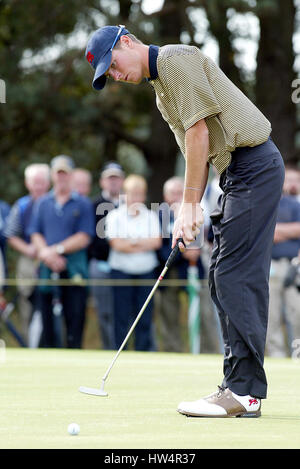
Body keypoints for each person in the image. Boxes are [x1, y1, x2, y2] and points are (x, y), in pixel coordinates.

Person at [85, 25, 285, 418]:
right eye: (108, 74)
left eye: (113, 65)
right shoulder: (162, 92)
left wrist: (190, 205)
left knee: (235, 276)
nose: (116, 74)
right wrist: (185, 214)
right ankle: (236, 385)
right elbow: (204, 153)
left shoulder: (176, 60)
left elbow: (198, 136)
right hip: (235, 176)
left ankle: (244, 393)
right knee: (220, 276)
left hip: (255, 167)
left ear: (126, 41)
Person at [29, 155, 94, 348]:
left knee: (75, 321)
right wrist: (47, 255)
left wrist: (56, 250)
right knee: (47, 322)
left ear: (71, 175)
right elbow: (35, 233)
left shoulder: (82, 203)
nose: (61, 177)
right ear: (52, 175)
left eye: (65, 173)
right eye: (58, 173)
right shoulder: (42, 202)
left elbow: (84, 236)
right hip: (47, 269)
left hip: (74, 269)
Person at [156, 176, 221, 353]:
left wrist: (198, 249)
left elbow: (210, 237)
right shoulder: (161, 214)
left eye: (180, 192)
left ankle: (208, 352)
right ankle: (172, 351)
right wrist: (184, 253)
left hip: (196, 270)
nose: (177, 196)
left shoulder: (195, 213)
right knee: (170, 315)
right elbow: (160, 248)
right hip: (171, 271)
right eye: (173, 193)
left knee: (205, 313)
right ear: (165, 196)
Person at [105, 174, 161, 351]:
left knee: (144, 316)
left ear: (144, 196)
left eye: (139, 194)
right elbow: (116, 244)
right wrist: (141, 243)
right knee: (121, 315)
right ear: (124, 195)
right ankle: (120, 350)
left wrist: (130, 242)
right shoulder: (114, 216)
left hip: (145, 270)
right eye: (132, 194)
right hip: (121, 270)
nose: (135, 198)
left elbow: (156, 242)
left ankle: (142, 351)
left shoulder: (151, 216)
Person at [4, 164, 50, 344]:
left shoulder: (54, 202)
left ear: (48, 182)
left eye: (42, 182)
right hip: (29, 259)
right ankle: (28, 344)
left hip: (52, 259)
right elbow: (10, 234)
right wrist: (28, 249)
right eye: (35, 182)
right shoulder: (22, 205)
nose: (38, 186)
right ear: (27, 183)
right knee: (27, 304)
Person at [88, 161, 125, 349]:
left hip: (125, 265)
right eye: (109, 178)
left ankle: (125, 349)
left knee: (124, 312)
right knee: (104, 312)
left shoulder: (130, 204)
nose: (113, 182)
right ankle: (108, 348)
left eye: (117, 178)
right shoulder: (93, 204)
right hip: (101, 264)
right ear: (102, 182)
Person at [266, 168, 300, 357]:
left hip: (294, 266)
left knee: (297, 314)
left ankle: (298, 354)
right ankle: (276, 356)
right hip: (271, 266)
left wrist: (277, 231)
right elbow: (263, 234)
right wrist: (291, 231)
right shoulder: (264, 204)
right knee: (272, 316)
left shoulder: (294, 205)